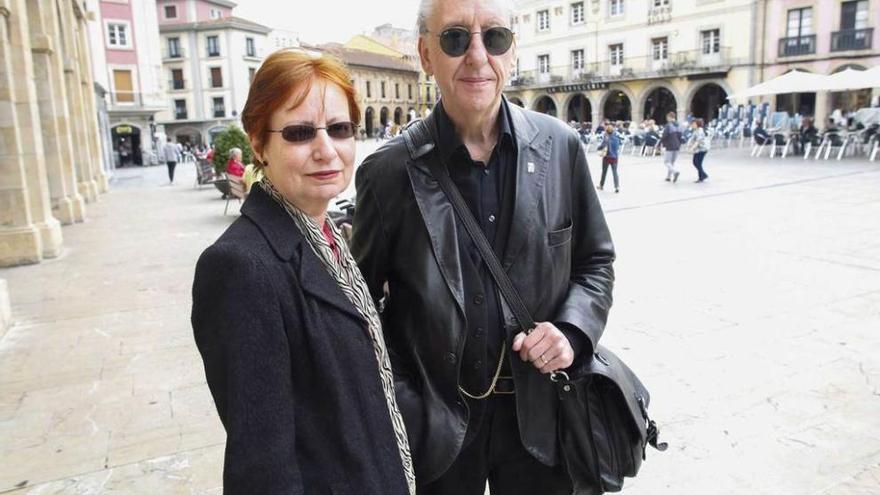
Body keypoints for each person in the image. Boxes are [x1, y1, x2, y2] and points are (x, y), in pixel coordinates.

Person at [350, 0, 616, 493]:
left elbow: (595, 262)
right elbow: (361, 308)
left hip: (544, 417)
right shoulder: (386, 173)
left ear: (512, 51)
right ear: (426, 55)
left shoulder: (560, 148)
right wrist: (406, 397)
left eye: (494, 38)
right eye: (455, 38)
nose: (477, 56)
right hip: (440, 427)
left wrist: (573, 331)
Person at [191, 50, 415, 495]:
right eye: (298, 133)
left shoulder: (326, 233)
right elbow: (261, 467)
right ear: (258, 144)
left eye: (339, 129)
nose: (326, 149)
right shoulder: (241, 267)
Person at [597, 123, 621, 193]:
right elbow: (617, 147)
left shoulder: (606, 138)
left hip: (607, 157)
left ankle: (601, 185)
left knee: (604, 172)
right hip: (615, 157)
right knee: (615, 172)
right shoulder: (616, 139)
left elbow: (601, 146)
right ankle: (617, 187)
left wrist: (598, 148)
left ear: (606, 131)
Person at [660, 111, 682, 183]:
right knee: (672, 162)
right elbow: (680, 136)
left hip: (670, 145)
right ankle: (668, 177)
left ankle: (675, 172)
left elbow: (664, 136)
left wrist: (661, 143)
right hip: (677, 145)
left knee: (666, 162)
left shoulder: (668, 125)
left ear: (669, 117)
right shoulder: (679, 125)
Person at [687, 118, 710, 182]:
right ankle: (703, 175)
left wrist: (692, 148)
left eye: (693, 124)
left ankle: (701, 177)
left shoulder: (700, 131)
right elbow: (692, 139)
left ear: (697, 124)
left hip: (702, 149)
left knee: (698, 163)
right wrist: (689, 146)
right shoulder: (695, 131)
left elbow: (698, 141)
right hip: (698, 149)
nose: (692, 125)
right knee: (695, 162)